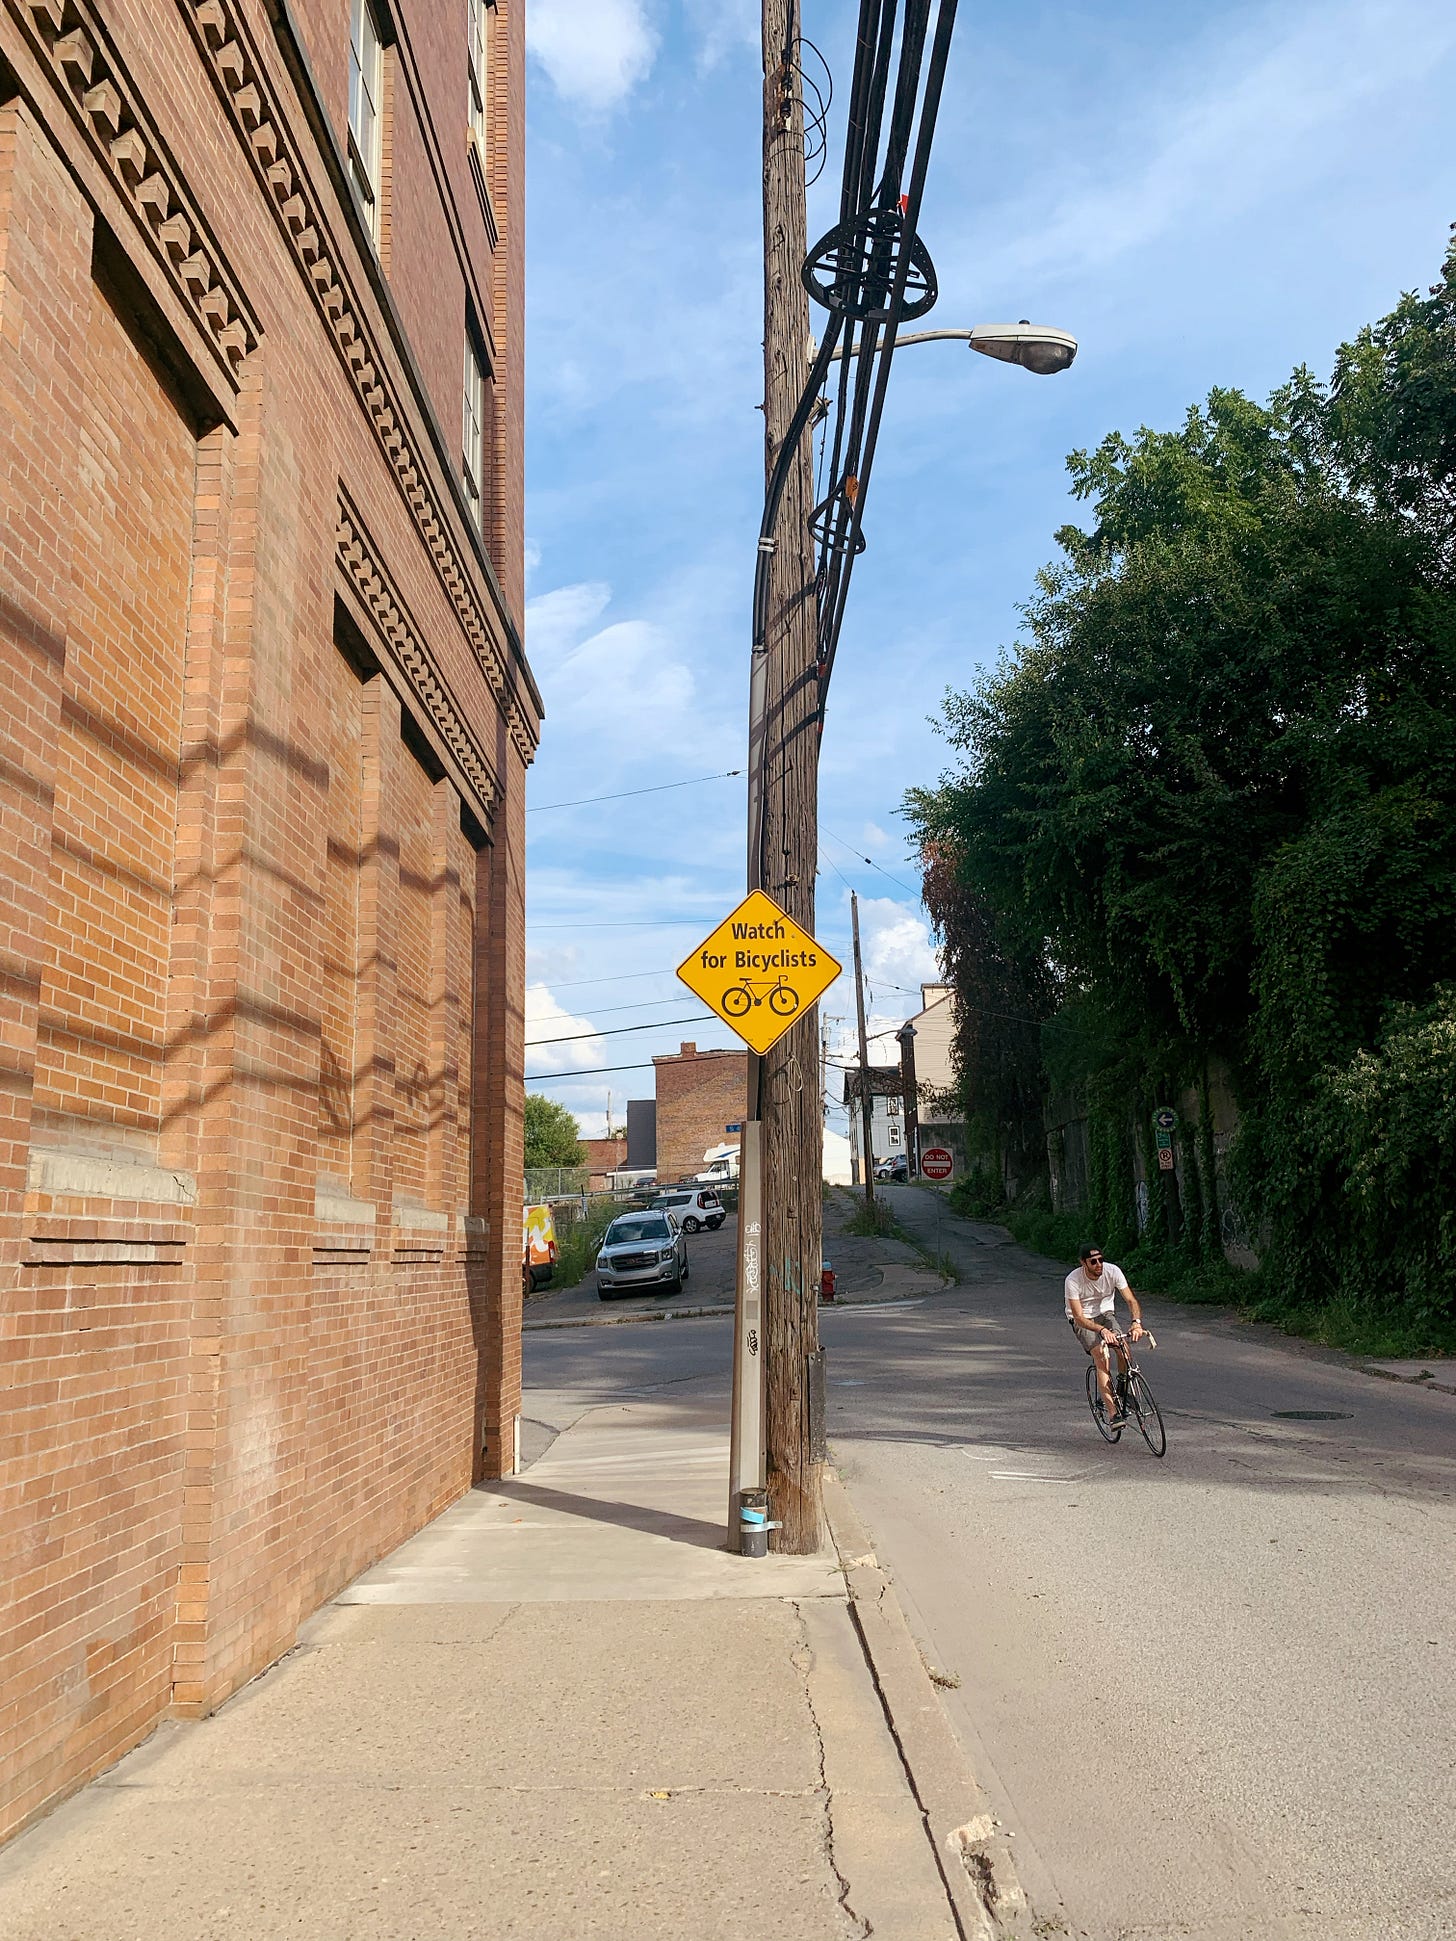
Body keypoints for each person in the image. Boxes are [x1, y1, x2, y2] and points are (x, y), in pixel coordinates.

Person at [1065, 1243, 1145, 1426]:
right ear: (1083, 1263)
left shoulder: (1113, 1271)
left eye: (1101, 1259)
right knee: (1102, 1357)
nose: (1099, 1264)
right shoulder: (1073, 1280)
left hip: (1106, 1314)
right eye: (1093, 1261)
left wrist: (1136, 1323)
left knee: (1123, 1347)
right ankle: (1113, 1413)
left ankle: (1122, 1387)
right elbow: (1078, 1316)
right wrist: (1102, 1331)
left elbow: (1131, 1300)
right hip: (1083, 1319)